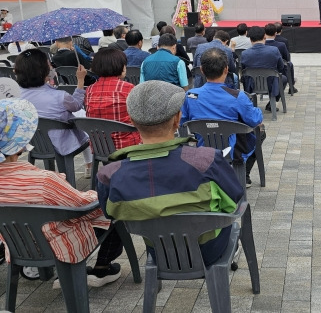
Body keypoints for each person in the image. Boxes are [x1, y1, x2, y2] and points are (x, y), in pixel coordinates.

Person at [97, 80, 244, 267]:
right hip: (208, 250)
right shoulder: (207, 161)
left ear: (132, 121)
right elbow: (234, 199)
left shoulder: (109, 175)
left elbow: (110, 215)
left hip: (159, 252)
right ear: (177, 119)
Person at [0, 98, 125, 288]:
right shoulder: (44, 181)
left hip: (16, 246)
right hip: (57, 247)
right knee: (113, 206)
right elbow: (81, 204)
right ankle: (102, 268)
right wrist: (97, 194)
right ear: (21, 142)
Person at [181, 48, 264, 187]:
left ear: (201, 70)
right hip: (230, 151)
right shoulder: (237, 96)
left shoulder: (190, 95)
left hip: (202, 146)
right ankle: (243, 173)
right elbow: (255, 120)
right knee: (260, 131)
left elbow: (182, 122)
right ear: (226, 69)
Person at [15, 49, 94, 179]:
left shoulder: (16, 95)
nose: (51, 67)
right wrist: (80, 81)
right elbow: (76, 105)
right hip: (63, 144)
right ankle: (87, 168)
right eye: (49, 65)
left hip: (34, 144)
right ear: (43, 71)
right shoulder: (60, 96)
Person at [85, 48, 141, 149]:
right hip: (127, 146)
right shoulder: (128, 88)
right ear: (120, 66)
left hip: (100, 147)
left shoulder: (90, 90)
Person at [241, 26, 287, 112]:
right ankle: (272, 103)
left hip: (252, 85)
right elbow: (281, 67)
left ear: (250, 40)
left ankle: (250, 103)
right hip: (271, 84)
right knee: (283, 78)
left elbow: (243, 71)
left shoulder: (245, 53)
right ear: (264, 37)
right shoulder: (274, 50)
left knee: (245, 78)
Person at [265, 23, 297, 93]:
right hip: (279, 69)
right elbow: (287, 57)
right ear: (275, 33)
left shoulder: (262, 44)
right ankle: (291, 86)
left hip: (264, 71)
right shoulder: (282, 44)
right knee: (289, 64)